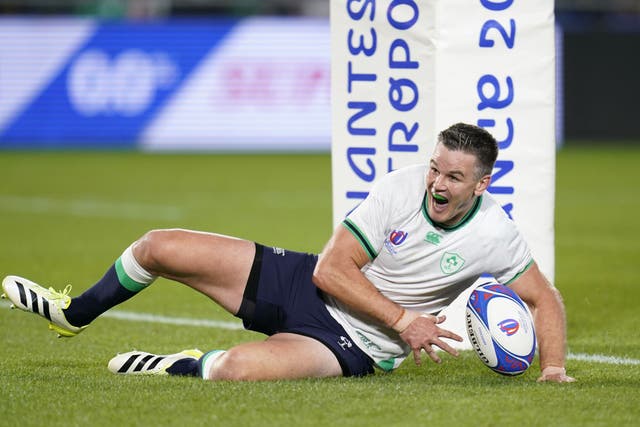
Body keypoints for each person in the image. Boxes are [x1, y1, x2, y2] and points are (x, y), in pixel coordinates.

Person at [1, 123, 575, 383]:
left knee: (233, 370)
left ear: (481, 184)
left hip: (355, 346)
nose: (437, 183)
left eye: (453, 175)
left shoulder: (497, 235)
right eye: (434, 167)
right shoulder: (401, 187)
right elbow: (330, 269)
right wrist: (406, 320)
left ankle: (167, 363)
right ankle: (73, 315)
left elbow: (543, 299)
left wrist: (552, 369)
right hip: (303, 282)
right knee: (158, 246)